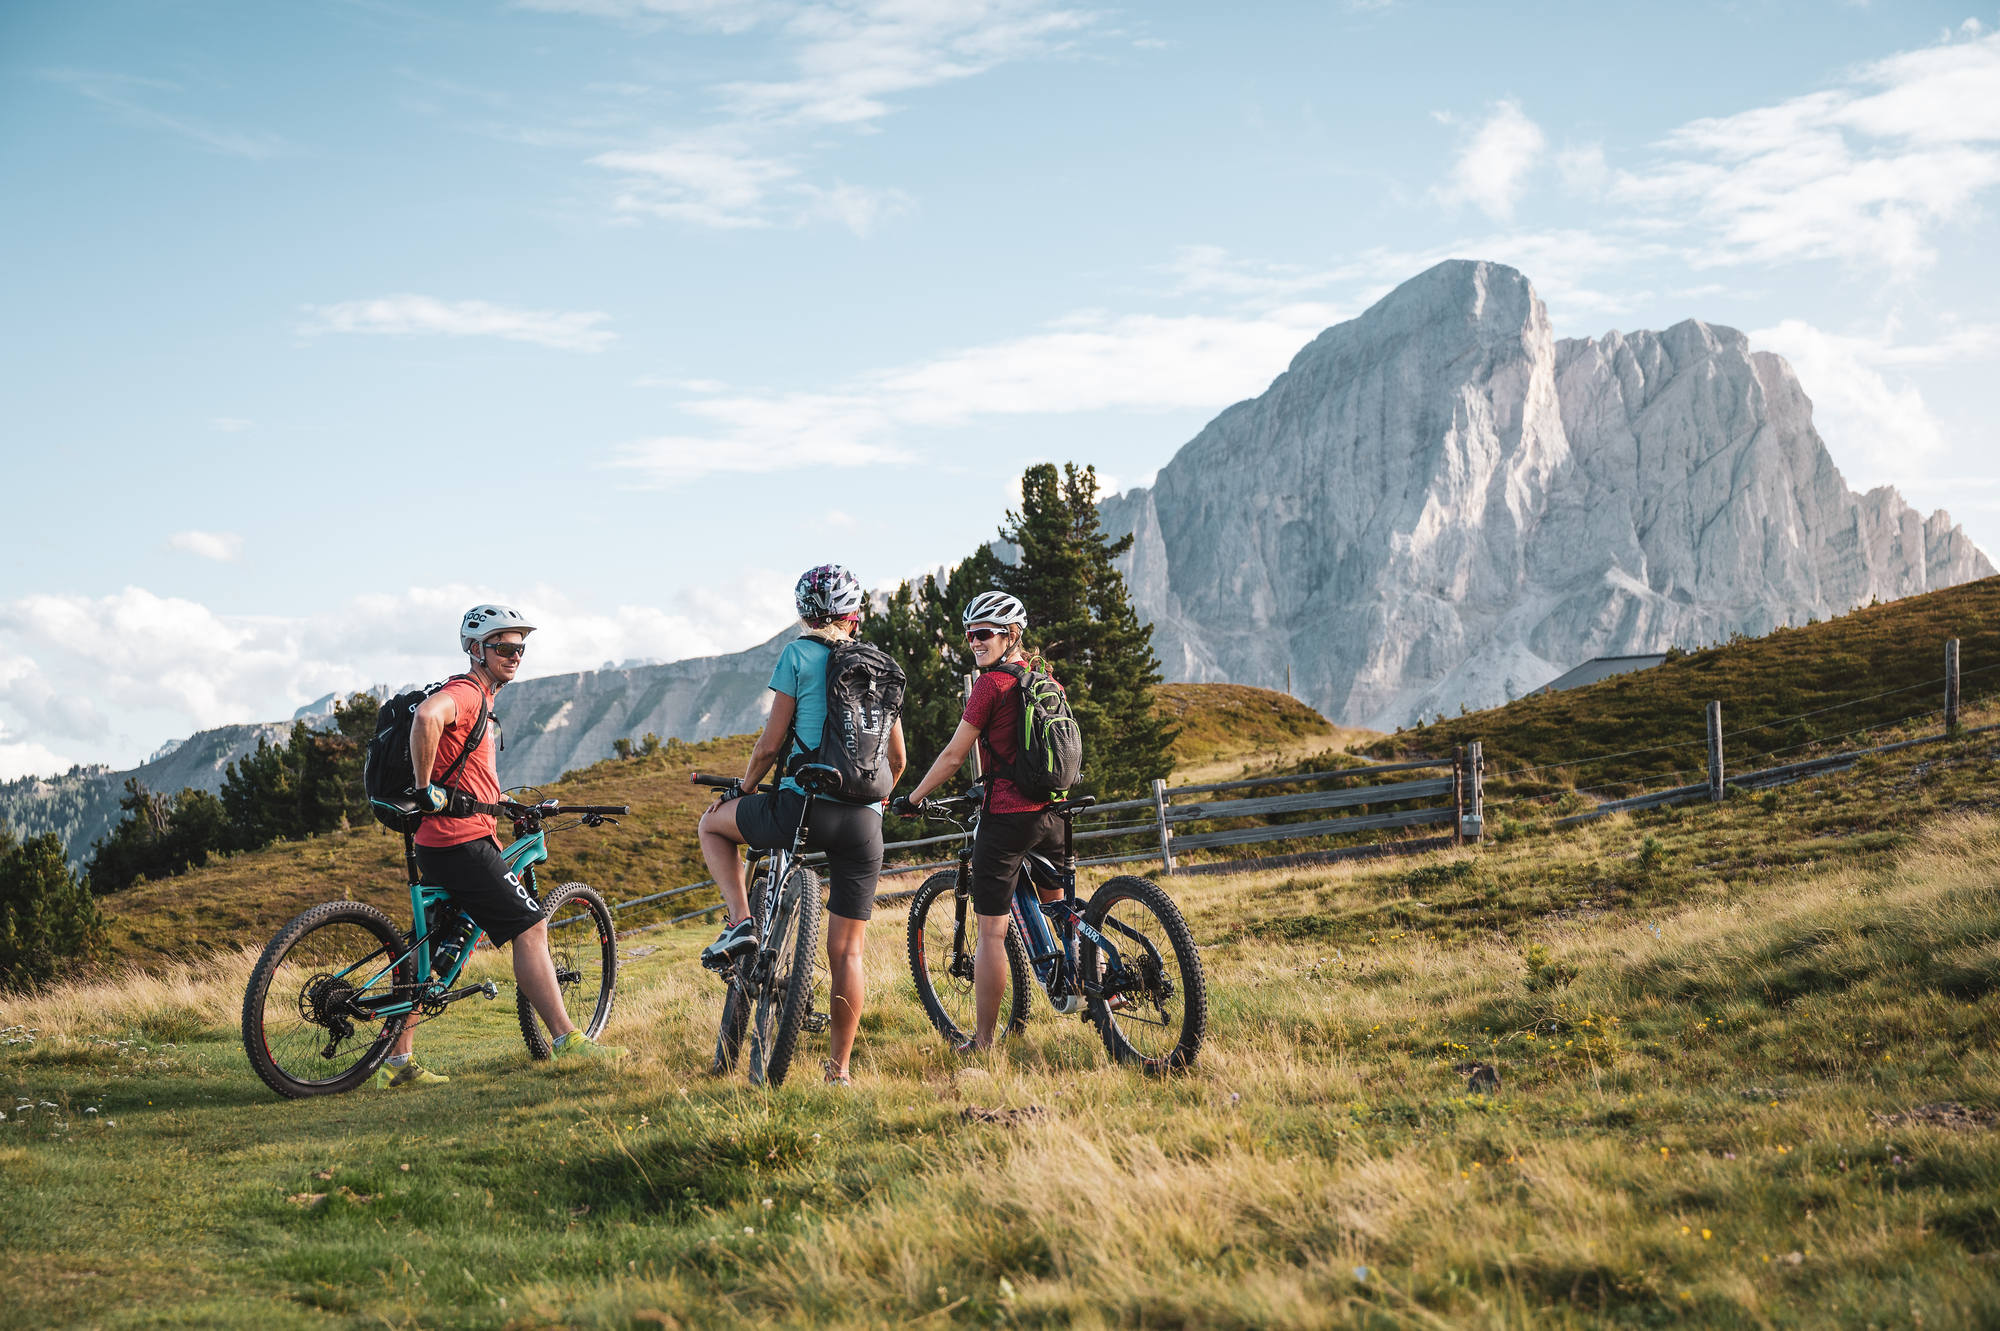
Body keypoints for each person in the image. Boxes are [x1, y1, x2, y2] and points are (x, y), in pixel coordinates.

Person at [373, 604, 627, 1089]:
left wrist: (502, 803)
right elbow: (426, 717)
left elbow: (464, 774)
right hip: (461, 843)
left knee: (427, 949)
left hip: (439, 842)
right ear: (476, 649)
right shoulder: (468, 692)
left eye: (520, 648)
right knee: (530, 927)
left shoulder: (481, 701)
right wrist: (424, 789)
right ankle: (567, 1039)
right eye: (504, 646)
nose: (515, 655)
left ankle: (397, 1063)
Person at [695, 565, 906, 1086]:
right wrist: (875, 804)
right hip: (865, 821)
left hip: (803, 807)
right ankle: (839, 1071)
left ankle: (741, 921)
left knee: (711, 827)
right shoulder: (879, 667)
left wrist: (744, 788)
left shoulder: (798, 654)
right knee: (848, 953)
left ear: (806, 614)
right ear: (854, 616)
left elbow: (771, 744)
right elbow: (898, 759)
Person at [894, 590, 1062, 1054]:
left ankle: (984, 1043)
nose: (974, 642)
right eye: (969, 635)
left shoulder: (990, 686)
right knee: (1063, 913)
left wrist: (913, 798)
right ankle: (1100, 988)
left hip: (1007, 820)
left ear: (1011, 635)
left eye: (984, 633)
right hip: (1053, 814)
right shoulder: (1046, 679)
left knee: (991, 932)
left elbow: (953, 756)